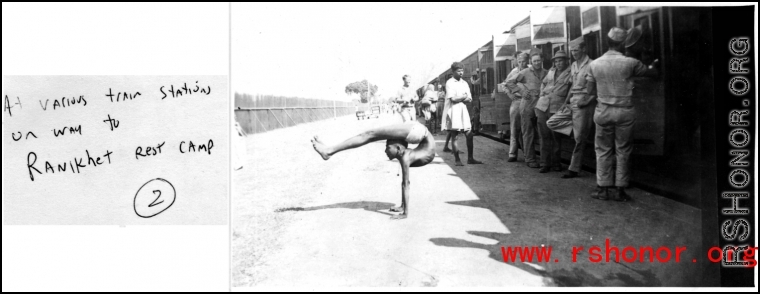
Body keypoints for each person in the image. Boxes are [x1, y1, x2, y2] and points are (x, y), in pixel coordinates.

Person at [581, 27, 659, 201]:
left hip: (603, 112)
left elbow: (590, 90)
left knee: (602, 150)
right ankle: (619, 191)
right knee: (623, 150)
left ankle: (602, 189)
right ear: (623, 44)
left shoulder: (594, 64)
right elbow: (652, 73)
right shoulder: (631, 63)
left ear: (607, 42)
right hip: (625, 112)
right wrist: (653, 62)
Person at [311, 121, 435, 220]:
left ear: (398, 148)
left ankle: (329, 151)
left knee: (369, 134)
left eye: (388, 148)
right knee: (369, 136)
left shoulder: (406, 157)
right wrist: (402, 207)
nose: (385, 151)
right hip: (419, 132)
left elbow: (406, 184)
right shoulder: (406, 154)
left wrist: (405, 213)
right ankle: (329, 149)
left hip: (418, 130)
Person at [547, 37, 596, 179]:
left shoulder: (592, 65)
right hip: (572, 102)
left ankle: (573, 169)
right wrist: (565, 102)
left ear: (583, 49)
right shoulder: (574, 65)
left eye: (576, 50)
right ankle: (577, 130)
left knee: (579, 139)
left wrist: (586, 101)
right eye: (572, 50)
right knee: (551, 122)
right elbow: (572, 86)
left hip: (583, 104)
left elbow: (594, 89)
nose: (574, 53)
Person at [506, 49, 548, 168]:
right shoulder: (524, 72)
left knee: (542, 132)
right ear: (531, 61)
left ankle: (545, 161)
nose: (536, 63)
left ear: (542, 60)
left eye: (538, 61)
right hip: (528, 104)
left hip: (541, 104)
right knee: (528, 132)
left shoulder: (546, 72)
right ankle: (530, 159)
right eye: (534, 61)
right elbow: (509, 83)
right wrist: (522, 91)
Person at [535, 51, 572, 173]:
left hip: (557, 107)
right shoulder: (551, 71)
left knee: (555, 136)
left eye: (561, 60)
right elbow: (544, 83)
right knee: (544, 135)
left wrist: (566, 103)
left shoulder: (571, 72)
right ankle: (545, 163)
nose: (558, 63)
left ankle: (556, 163)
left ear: (566, 60)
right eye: (556, 61)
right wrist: (541, 93)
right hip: (543, 106)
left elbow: (571, 90)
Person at [442, 62, 483, 166]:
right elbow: (453, 99)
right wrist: (463, 97)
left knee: (469, 134)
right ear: (453, 72)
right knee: (454, 135)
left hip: (463, 110)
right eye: (458, 71)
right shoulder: (450, 83)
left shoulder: (464, 83)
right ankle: (457, 160)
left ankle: (470, 158)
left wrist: (462, 97)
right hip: (453, 110)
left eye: (462, 71)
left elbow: (469, 98)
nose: (461, 73)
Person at [504, 52, 529, 162]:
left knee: (527, 128)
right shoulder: (514, 71)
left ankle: (527, 153)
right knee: (514, 128)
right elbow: (505, 85)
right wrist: (510, 94)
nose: (521, 63)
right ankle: (512, 153)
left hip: (528, 101)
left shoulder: (530, 71)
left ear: (527, 61)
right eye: (519, 61)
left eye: (523, 61)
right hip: (517, 101)